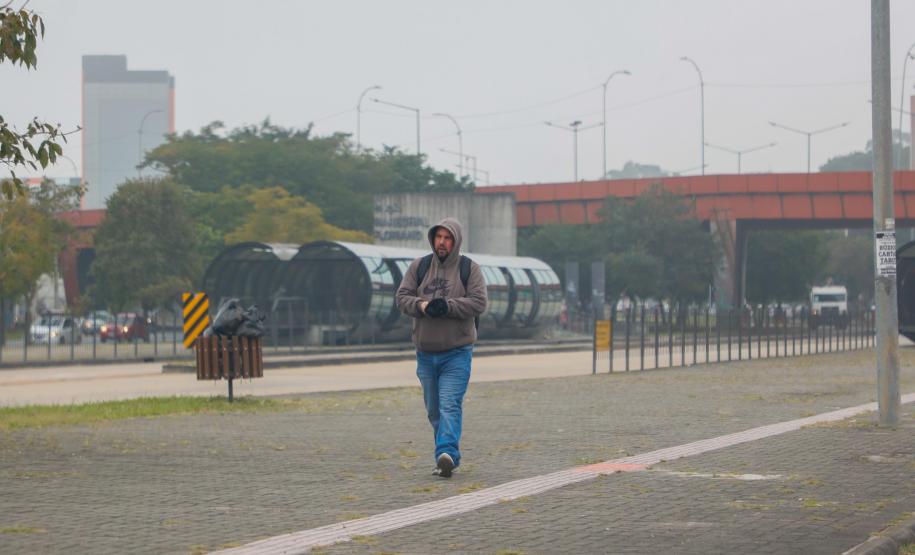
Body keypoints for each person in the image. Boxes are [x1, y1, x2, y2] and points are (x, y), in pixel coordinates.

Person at [395, 217, 487, 478]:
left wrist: (448, 306)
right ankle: (444, 455)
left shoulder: (470, 269)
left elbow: (479, 303)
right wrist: (423, 306)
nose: (442, 242)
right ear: (433, 239)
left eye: (448, 238)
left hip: (456, 352)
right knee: (434, 410)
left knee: (449, 405)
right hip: (425, 354)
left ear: (455, 241)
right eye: (439, 237)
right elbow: (402, 297)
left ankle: (447, 453)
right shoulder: (419, 267)